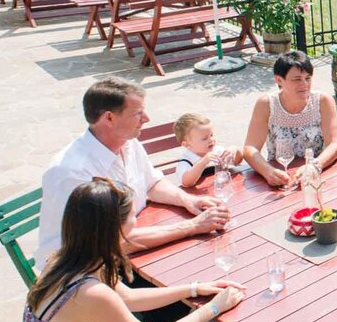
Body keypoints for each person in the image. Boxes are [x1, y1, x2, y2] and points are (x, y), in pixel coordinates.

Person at [19, 178, 246, 322]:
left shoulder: (66, 260)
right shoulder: (89, 293)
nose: (136, 219)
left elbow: (129, 297)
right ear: (114, 228)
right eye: (131, 215)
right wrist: (214, 308)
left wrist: (193, 289)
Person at [38, 78, 229, 269]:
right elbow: (114, 242)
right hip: (86, 271)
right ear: (109, 118)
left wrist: (188, 200)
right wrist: (192, 226)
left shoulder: (127, 142)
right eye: (138, 113)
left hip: (133, 249)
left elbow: (152, 183)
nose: (146, 118)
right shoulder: (72, 171)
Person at [243, 50, 337, 187]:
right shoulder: (266, 104)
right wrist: (267, 172)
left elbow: (335, 144)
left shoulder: (323, 101)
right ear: (279, 80)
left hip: (318, 175)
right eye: (297, 79)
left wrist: (315, 166)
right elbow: (250, 148)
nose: (305, 84)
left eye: (308, 78)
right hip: (280, 176)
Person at [173, 112, 244, 188]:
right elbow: (187, 183)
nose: (211, 140)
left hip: (220, 190)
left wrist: (234, 150)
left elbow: (237, 161)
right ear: (187, 144)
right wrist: (203, 162)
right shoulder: (186, 162)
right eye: (204, 138)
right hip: (199, 196)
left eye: (211, 135)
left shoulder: (217, 151)